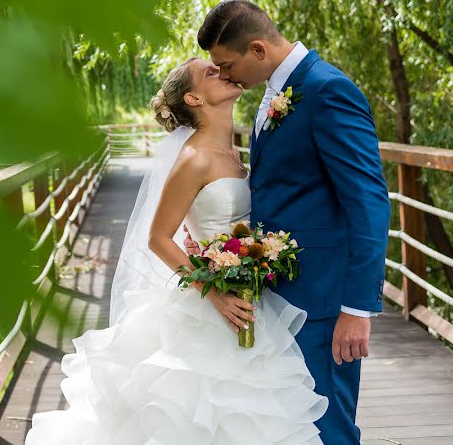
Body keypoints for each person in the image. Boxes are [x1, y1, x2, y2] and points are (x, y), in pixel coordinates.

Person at [25, 57, 328, 444]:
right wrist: (214, 292)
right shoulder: (194, 157)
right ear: (194, 98)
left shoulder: (237, 151)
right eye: (210, 73)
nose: (223, 71)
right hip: (210, 305)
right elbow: (158, 237)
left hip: (250, 297)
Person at [195, 0, 390, 444]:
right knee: (293, 425)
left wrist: (357, 309)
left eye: (226, 65)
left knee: (330, 429)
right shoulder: (274, 91)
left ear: (258, 50)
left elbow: (369, 202)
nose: (224, 76)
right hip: (279, 296)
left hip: (323, 303)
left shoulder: (327, 90)